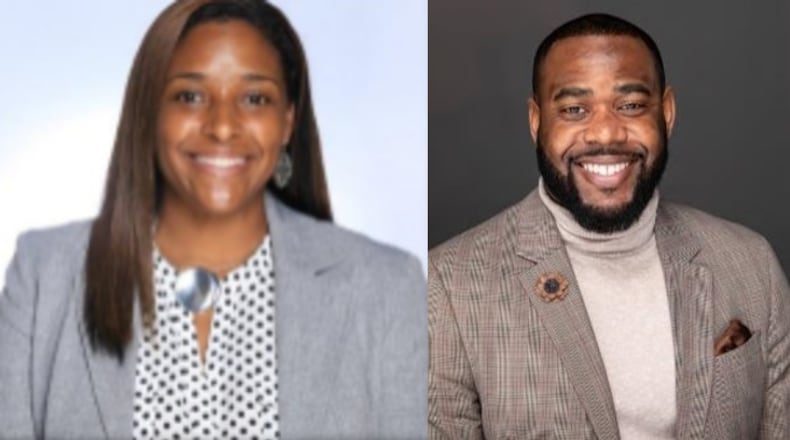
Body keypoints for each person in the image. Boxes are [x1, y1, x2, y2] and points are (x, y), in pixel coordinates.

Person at [0, 1, 426, 439]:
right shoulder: (43, 275)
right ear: (150, 112)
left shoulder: (386, 286)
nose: (222, 126)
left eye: (254, 98)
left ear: (286, 122)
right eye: (190, 96)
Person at [428, 13, 790, 440]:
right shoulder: (447, 286)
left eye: (631, 105)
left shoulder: (750, 263)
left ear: (667, 113)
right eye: (574, 109)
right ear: (536, 121)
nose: (604, 131)